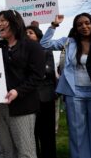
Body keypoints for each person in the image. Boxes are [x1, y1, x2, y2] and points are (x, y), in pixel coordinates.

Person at [40, 13, 91, 158]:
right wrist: (54, 25)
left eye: (87, 23)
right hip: (74, 93)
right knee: (77, 132)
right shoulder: (68, 42)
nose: (84, 26)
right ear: (75, 27)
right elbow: (44, 44)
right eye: (79, 24)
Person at [0, 10, 45, 158]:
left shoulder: (32, 46)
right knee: (7, 151)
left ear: (15, 22)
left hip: (22, 105)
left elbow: (37, 76)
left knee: (25, 152)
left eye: (3, 21)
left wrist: (18, 91)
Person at [26, 25, 56, 158]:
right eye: (25, 32)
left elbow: (48, 71)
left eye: (31, 32)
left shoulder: (46, 51)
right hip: (28, 99)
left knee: (47, 133)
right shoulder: (20, 53)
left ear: (38, 36)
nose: (27, 34)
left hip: (45, 97)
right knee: (32, 134)